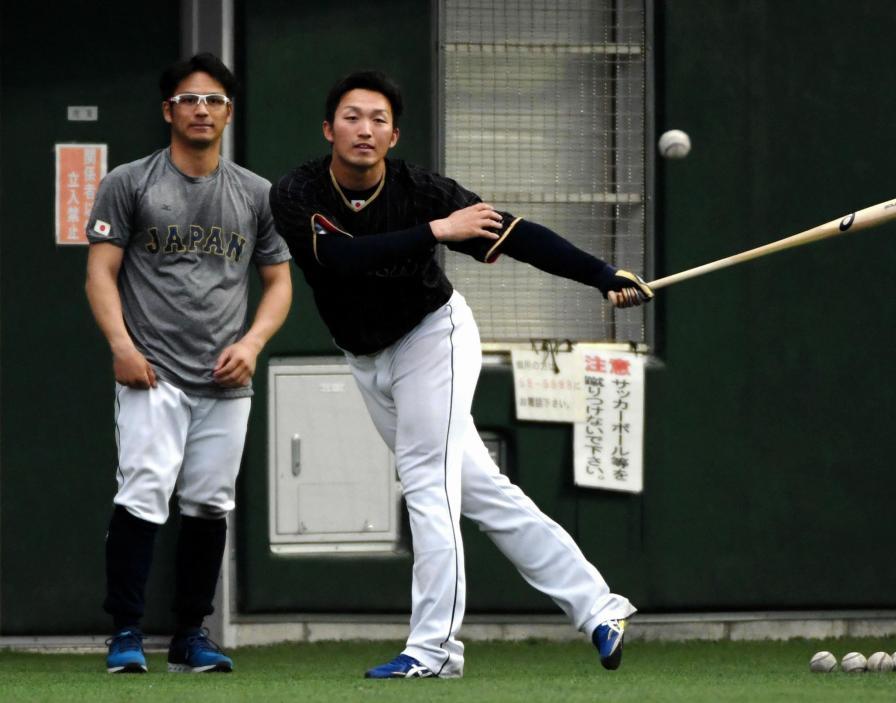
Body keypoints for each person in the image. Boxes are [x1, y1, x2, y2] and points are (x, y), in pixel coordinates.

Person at [270, 70, 652, 680]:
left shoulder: (423, 189)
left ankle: (433, 651)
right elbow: (338, 259)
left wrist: (604, 275)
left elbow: (517, 234)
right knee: (481, 492)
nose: (364, 129)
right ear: (328, 129)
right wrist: (437, 232)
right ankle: (600, 606)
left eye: (377, 119)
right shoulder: (296, 192)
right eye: (351, 117)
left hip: (433, 339)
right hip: (366, 357)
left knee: (427, 482)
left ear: (395, 135)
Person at [84, 53, 292, 674]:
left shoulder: (256, 193)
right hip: (153, 372)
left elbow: (279, 284)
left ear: (230, 111)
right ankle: (125, 632)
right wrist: (122, 347)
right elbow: (101, 271)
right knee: (144, 493)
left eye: (215, 101)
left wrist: (252, 344)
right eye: (190, 99)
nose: (203, 110)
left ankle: (190, 636)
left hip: (225, 381)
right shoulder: (130, 182)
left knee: (208, 502)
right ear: (168, 109)